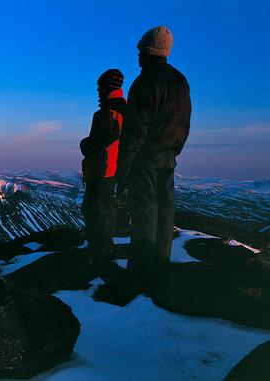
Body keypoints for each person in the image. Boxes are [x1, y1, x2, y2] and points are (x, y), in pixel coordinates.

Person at [116, 26, 191, 289]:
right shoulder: (180, 81)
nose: (137, 56)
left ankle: (140, 272)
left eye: (140, 51)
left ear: (149, 52)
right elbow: (184, 123)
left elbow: (136, 129)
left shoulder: (144, 82)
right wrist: (174, 149)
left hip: (146, 157)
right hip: (169, 155)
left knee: (145, 210)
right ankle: (161, 263)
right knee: (165, 207)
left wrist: (124, 166)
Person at [80, 69, 126, 274]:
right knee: (103, 208)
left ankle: (100, 254)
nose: (98, 91)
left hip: (103, 168)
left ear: (107, 87)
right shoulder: (121, 108)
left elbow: (106, 138)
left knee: (95, 209)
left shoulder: (110, 111)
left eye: (100, 87)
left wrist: (85, 144)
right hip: (109, 167)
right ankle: (103, 249)